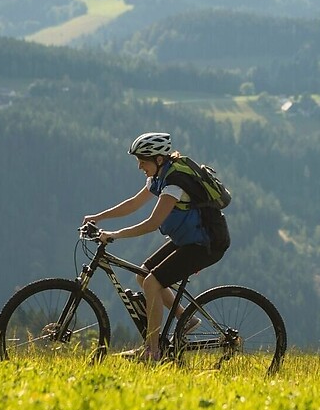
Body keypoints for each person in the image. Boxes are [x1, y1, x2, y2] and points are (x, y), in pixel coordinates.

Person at [83, 132, 231, 361]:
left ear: (159, 159)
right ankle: (186, 319)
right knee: (143, 276)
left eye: (143, 160)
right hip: (188, 240)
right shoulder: (159, 177)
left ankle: (152, 351)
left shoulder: (174, 184)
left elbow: (153, 223)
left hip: (207, 243)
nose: (140, 166)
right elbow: (133, 204)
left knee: (152, 282)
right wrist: (98, 217)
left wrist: (115, 234)